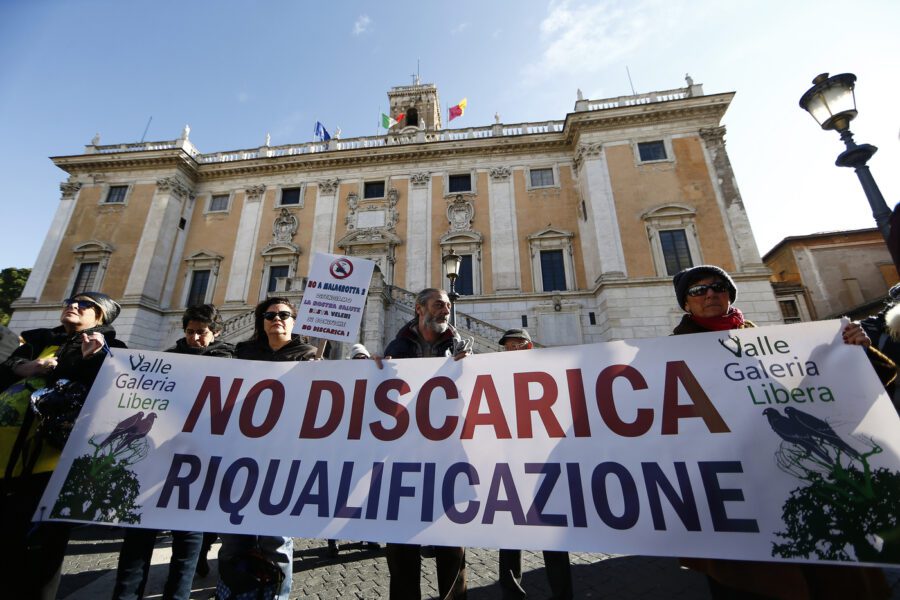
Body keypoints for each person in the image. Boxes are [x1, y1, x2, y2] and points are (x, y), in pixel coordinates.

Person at [671, 265, 891, 600]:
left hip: (802, 478)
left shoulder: (774, 343)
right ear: (686, 304)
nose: (710, 294)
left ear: (729, 294)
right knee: (751, 584)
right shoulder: (667, 355)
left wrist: (855, 354)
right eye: (698, 290)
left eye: (717, 286)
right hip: (734, 492)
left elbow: (819, 393)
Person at [0, 292, 127, 599]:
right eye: (70, 300)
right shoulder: (36, 342)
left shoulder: (111, 349)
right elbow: (6, 367)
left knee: (41, 554)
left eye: (84, 304)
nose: (73, 305)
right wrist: (23, 367)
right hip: (5, 459)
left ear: (101, 316)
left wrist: (94, 360)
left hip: (51, 464)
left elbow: (115, 394)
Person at [113, 304, 233, 599]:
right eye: (190, 332)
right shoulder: (166, 360)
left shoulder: (232, 360)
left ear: (216, 332)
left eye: (202, 333)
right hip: (157, 459)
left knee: (188, 543)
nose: (195, 338)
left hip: (199, 463)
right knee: (137, 539)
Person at [215, 297, 315, 600]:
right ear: (261, 320)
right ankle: (231, 592)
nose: (277, 319)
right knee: (232, 538)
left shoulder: (308, 355)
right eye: (270, 315)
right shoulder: (241, 353)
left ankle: (277, 596)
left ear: (294, 321)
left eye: (285, 314)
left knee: (277, 540)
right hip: (240, 455)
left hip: (282, 459)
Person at [381, 288, 471, 600]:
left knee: (452, 550)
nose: (445, 310)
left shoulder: (460, 347)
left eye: (448, 305)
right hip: (402, 461)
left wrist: (470, 369)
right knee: (401, 550)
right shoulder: (397, 345)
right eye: (438, 305)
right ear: (420, 309)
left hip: (448, 459)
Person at [494, 329, 574, 599]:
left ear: (528, 347)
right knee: (510, 535)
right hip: (509, 466)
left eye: (517, 345)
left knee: (552, 535)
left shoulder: (547, 373)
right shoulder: (496, 376)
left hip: (544, 466)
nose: (512, 350)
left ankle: (562, 593)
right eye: (509, 346)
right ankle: (511, 591)